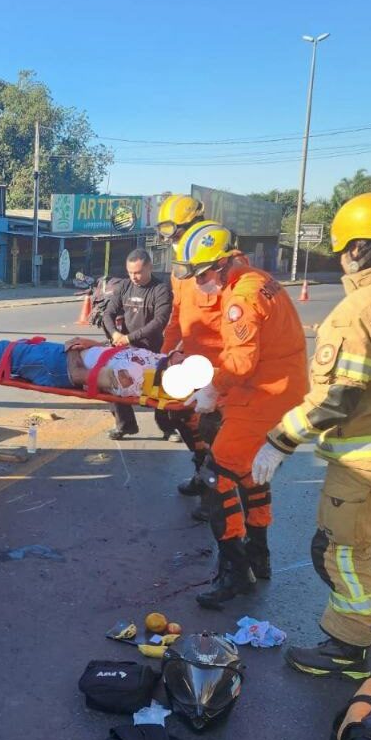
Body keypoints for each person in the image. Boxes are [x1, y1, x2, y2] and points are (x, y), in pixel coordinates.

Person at [250, 192, 371, 677]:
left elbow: (338, 398)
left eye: (342, 249)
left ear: (357, 248)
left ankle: (348, 645)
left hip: (367, 461)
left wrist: (280, 439)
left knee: (342, 550)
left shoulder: (359, 310)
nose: (342, 258)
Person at [168, 221, 307, 610]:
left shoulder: (240, 300)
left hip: (264, 394)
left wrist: (212, 389)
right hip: (278, 389)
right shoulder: (256, 279)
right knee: (249, 473)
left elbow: (242, 362)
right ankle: (259, 555)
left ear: (225, 261)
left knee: (217, 475)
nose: (200, 284)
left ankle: (235, 572)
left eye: (203, 274)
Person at [157, 195, 221, 507]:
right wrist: (164, 356)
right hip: (195, 361)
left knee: (213, 429)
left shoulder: (223, 263)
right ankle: (202, 474)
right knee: (180, 414)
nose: (174, 243)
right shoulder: (181, 269)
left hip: (226, 365)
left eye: (178, 235)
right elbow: (177, 317)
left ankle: (215, 495)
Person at [99, 248, 172, 439]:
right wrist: (114, 333)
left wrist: (130, 337)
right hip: (126, 349)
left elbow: (159, 322)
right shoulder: (124, 286)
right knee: (112, 381)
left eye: (138, 272)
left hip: (153, 349)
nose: (134, 277)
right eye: (130, 272)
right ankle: (125, 425)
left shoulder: (161, 289)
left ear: (149, 268)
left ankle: (168, 428)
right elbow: (108, 313)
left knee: (159, 391)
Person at [0, 336, 164, 397]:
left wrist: (71, 348)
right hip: (58, 356)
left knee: (5, 352)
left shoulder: (130, 377)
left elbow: (77, 375)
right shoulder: (154, 360)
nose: (178, 356)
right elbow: (110, 352)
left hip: (56, 366)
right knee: (5, 350)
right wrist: (90, 343)